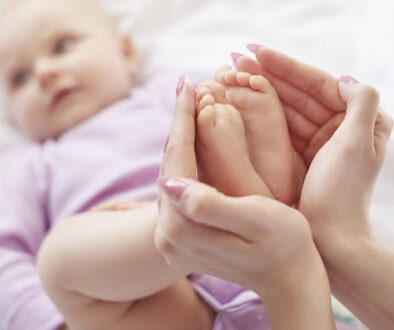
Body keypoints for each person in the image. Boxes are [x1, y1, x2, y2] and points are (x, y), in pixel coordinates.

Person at [0, 1, 331, 330]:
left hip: (256, 274)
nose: (44, 73)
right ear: (12, 116)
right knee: (60, 260)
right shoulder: (29, 162)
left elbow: (217, 102)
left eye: (61, 46)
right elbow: (5, 255)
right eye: (20, 78)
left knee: (222, 116)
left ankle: (233, 198)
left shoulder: (167, 92)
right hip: (146, 305)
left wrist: (235, 100)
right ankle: (199, 215)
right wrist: (57, 321)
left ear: (126, 52)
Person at [155, 45, 394, 330]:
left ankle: (236, 207)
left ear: (127, 49)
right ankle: (247, 203)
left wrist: (288, 279)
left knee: (102, 269)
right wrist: (337, 237)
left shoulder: (153, 88)